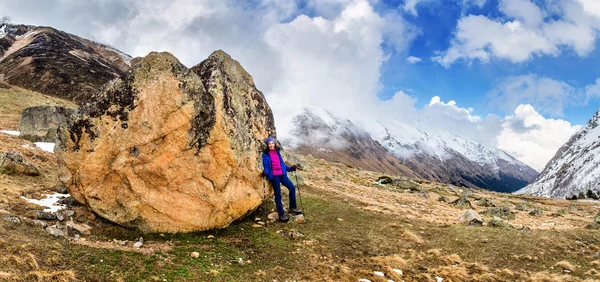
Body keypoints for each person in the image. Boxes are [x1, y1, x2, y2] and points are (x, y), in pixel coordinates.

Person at [261, 137, 302, 222]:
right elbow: (266, 166)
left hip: (282, 174)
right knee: (278, 194)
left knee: (292, 188)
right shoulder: (266, 154)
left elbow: (282, 165)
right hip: (274, 176)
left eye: (272, 143)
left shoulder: (277, 152)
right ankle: (281, 214)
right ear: (267, 145)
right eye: (269, 144)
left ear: (274, 144)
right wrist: (265, 172)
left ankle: (293, 208)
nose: (271, 145)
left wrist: (290, 168)